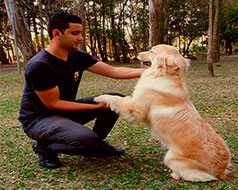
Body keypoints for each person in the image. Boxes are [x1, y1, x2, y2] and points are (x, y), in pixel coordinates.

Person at [18, 11, 145, 169]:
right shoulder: (40, 65)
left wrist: (150, 72)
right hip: (39, 119)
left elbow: (114, 71)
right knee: (87, 137)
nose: (80, 38)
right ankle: (45, 148)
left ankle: (97, 145)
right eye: (75, 33)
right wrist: (96, 106)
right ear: (57, 33)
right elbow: (54, 104)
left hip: (65, 111)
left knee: (115, 99)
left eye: (81, 33)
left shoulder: (76, 56)